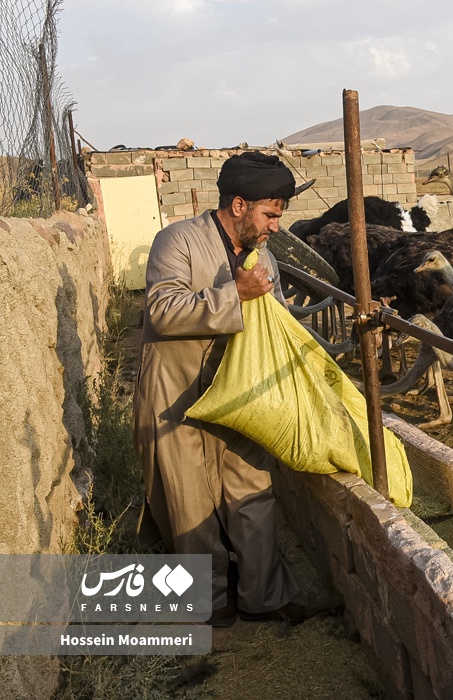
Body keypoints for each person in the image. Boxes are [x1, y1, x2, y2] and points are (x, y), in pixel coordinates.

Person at [133, 151, 306, 627]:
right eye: (270, 215)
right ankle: (208, 603)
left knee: (252, 491)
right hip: (176, 397)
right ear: (237, 206)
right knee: (190, 504)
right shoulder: (177, 241)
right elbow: (162, 312)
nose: (275, 226)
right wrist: (236, 294)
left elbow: (275, 319)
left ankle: (263, 596)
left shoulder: (263, 254)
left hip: (239, 394)